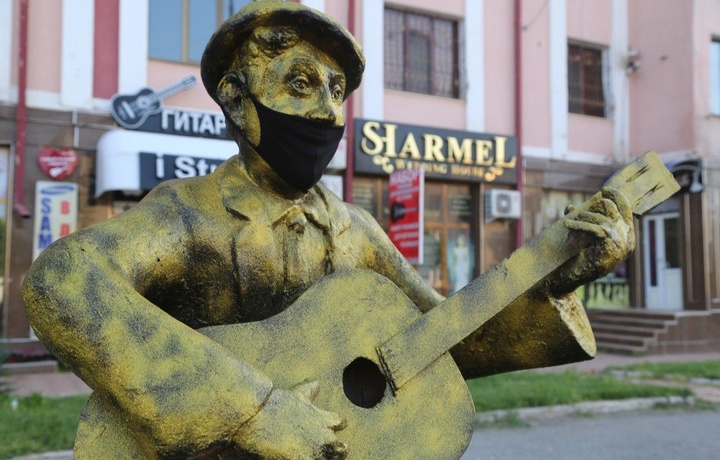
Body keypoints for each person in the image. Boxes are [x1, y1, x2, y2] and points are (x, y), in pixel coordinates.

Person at [22, 2, 634, 459]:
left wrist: (559, 274)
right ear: (237, 102)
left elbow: (444, 341)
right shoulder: (186, 214)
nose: (326, 113)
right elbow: (62, 281)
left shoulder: (354, 232)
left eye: (337, 91)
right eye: (301, 85)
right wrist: (253, 413)